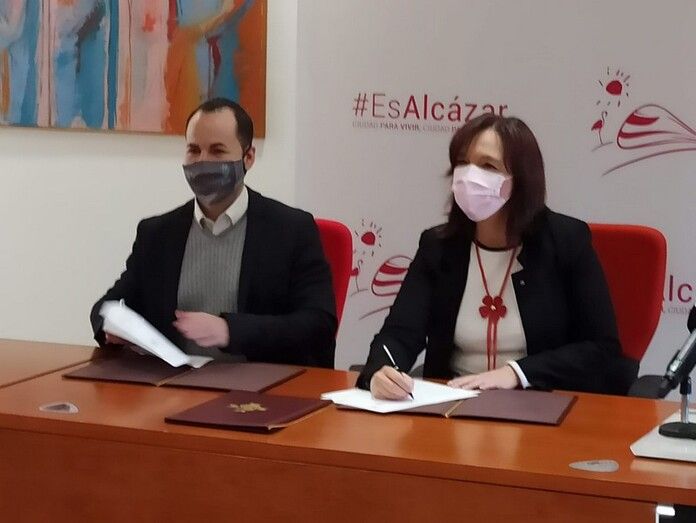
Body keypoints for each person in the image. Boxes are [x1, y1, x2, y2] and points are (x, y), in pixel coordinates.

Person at [358, 114, 636, 398]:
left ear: (522, 179)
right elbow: (400, 333)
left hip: (539, 400)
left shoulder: (566, 240)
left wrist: (517, 373)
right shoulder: (438, 246)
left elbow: (600, 347)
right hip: (452, 400)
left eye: (487, 165)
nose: (469, 175)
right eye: (462, 163)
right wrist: (380, 371)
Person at [91, 98, 336, 367]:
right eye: (194, 150)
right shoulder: (157, 234)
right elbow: (108, 305)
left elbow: (318, 324)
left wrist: (230, 330)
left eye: (217, 151)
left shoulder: (291, 230)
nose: (203, 161)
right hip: (173, 383)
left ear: (248, 157)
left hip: (261, 385)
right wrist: (110, 326)